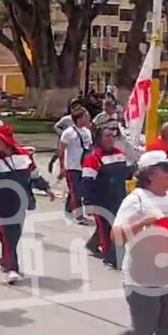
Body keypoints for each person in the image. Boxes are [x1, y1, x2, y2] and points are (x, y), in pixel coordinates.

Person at [96, 150, 168, 335]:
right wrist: (144, 222)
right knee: (143, 329)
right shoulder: (136, 200)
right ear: (149, 174)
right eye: (165, 168)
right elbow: (115, 235)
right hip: (143, 277)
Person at [0, 125, 52, 283]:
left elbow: (34, 176)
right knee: (8, 234)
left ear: (6, 141)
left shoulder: (24, 156)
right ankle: (12, 268)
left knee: (13, 234)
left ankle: (5, 260)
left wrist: (47, 189)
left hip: (19, 203)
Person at [81, 124, 128, 268]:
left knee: (114, 225)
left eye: (112, 136)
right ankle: (110, 257)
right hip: (101, 200)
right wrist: (89, 202)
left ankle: (92, 244)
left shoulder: (119, 153)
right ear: (99, 139)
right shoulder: (93, 158)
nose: (111, 139)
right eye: (107, 136)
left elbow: (125, 173)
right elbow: (87, 182)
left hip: (118, 197)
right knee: (106, 227)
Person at [59, 108, 93, 224]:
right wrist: (62, 167)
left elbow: (90, 149)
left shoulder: (87, 132)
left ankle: (69, 208)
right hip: (72, 166)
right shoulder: (68, 133)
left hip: (84, 166)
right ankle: (79, 215)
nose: (87, 118)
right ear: (78, 118)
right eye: (85, 116)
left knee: (79, 190)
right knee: (76, 191)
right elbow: (62, 150)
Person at [48, 106, 76, 174]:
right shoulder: (66, 119)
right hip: (64, 138)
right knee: (60, 152)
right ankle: (52, 162)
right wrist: (61, 133)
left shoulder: (79, 119)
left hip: (74, 139)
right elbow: (56, 126)